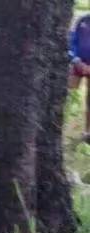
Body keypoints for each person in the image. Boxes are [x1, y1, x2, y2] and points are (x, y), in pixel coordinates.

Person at [69, 13, 90, 143]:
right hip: (77, 62)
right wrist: (76, 60)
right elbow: (71, 40)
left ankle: (87, 132)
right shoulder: (82, 19)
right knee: (66, 91)